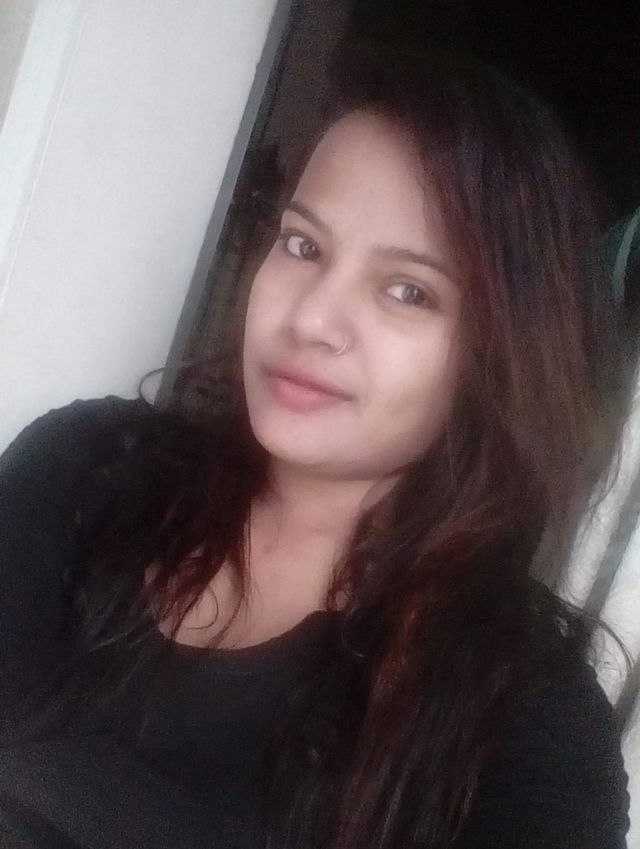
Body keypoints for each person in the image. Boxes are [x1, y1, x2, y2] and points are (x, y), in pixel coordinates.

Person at [0, 43, 633, 849]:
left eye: (407, 290)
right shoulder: (84, 472)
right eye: (303, 245)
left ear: (497, 354)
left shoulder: (525, 724)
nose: (309, 319)